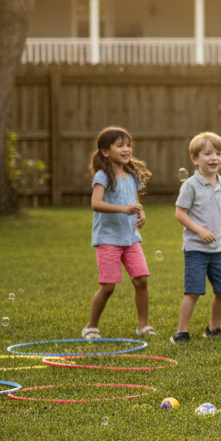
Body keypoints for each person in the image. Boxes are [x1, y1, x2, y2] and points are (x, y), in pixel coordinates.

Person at [171, 131, 221, 342]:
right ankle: (181, 332)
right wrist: (200, 230)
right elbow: (180, 213)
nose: (214, 158)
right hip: (195, 249)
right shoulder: (190, 185)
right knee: (193, 292)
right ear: (195, 159)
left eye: (219, 154)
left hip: (219, 249)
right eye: (208, 153)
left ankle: (213, 328)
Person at [85, 126, 153, 340]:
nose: (126, 149)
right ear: (105, 151)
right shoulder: (103, 176)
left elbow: (134, 201)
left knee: (141, 280)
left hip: (130, 238)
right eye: (120, 145)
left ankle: (143, 326)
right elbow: (96, 203)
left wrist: (141, 214)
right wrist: (124, 209)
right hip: (108, 239)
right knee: (108, 287)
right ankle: (91, 327)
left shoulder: (132, 175)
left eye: (128, 145)